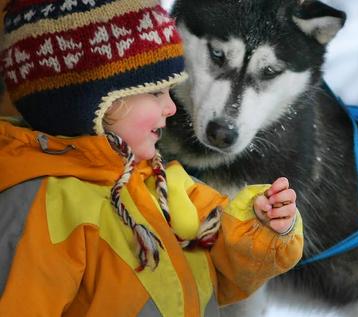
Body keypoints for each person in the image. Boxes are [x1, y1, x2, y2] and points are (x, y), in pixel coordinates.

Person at [0, 1, 303, 316]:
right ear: (90, 104)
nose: (171, 108)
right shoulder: (44, 206)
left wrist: (259, 226)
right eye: (156, 92)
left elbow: (224, 272)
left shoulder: (164, 185)